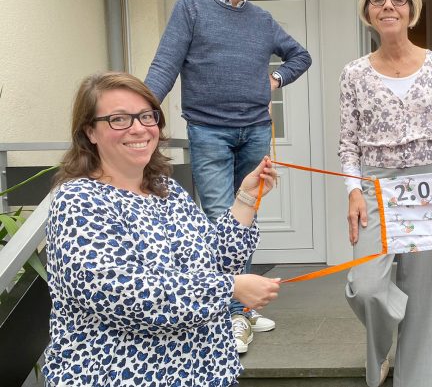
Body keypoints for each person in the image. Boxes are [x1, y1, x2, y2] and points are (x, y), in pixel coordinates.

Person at [43, 72, 281, 386]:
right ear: (90, 132)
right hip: (123, 376)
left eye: (146, 116)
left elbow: (217, 261)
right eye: (119, 119)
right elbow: (121, 294)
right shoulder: (78, 200)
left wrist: (247, 198)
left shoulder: (166, 190)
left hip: (203, 372)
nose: (139, 128)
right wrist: (229, 288)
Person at [144, 0, 311, 353]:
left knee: (245, 219)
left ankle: (240, 310)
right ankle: (232, 311)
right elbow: (165, 64)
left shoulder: (262, 19)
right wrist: (141, 113)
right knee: (221, 217)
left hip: (254, 130)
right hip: (209, 131)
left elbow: (299, 57)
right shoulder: (192, 7)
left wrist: (276, 80)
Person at [339, 0, 432, 387]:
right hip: (375, 186)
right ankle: (385, 352)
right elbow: (348, 143)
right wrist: (353, 192)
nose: (388, 6)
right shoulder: (354, 73)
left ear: (412, 8)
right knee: (368, 285)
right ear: (367, 9)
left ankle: (423, 379)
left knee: (430, 295)